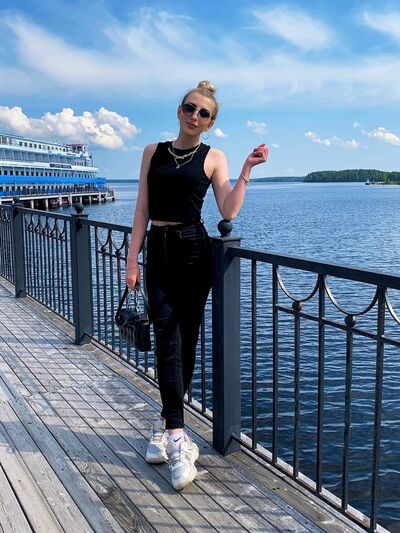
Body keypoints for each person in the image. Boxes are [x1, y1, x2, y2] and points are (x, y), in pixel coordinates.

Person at [125, 81, 268, 490]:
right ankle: (177, 437)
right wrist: (132, 259)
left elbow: (228, 209)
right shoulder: (152, 152)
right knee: (166, 337)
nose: (195, 116)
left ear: (210, 123)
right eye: (190, 108)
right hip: (159, 251)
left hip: (193, 252)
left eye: (204, 113)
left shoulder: (213, 157)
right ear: (179, 110)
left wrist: (246, 170)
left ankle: (164, 425)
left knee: (186, 341)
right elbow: (142, 209)